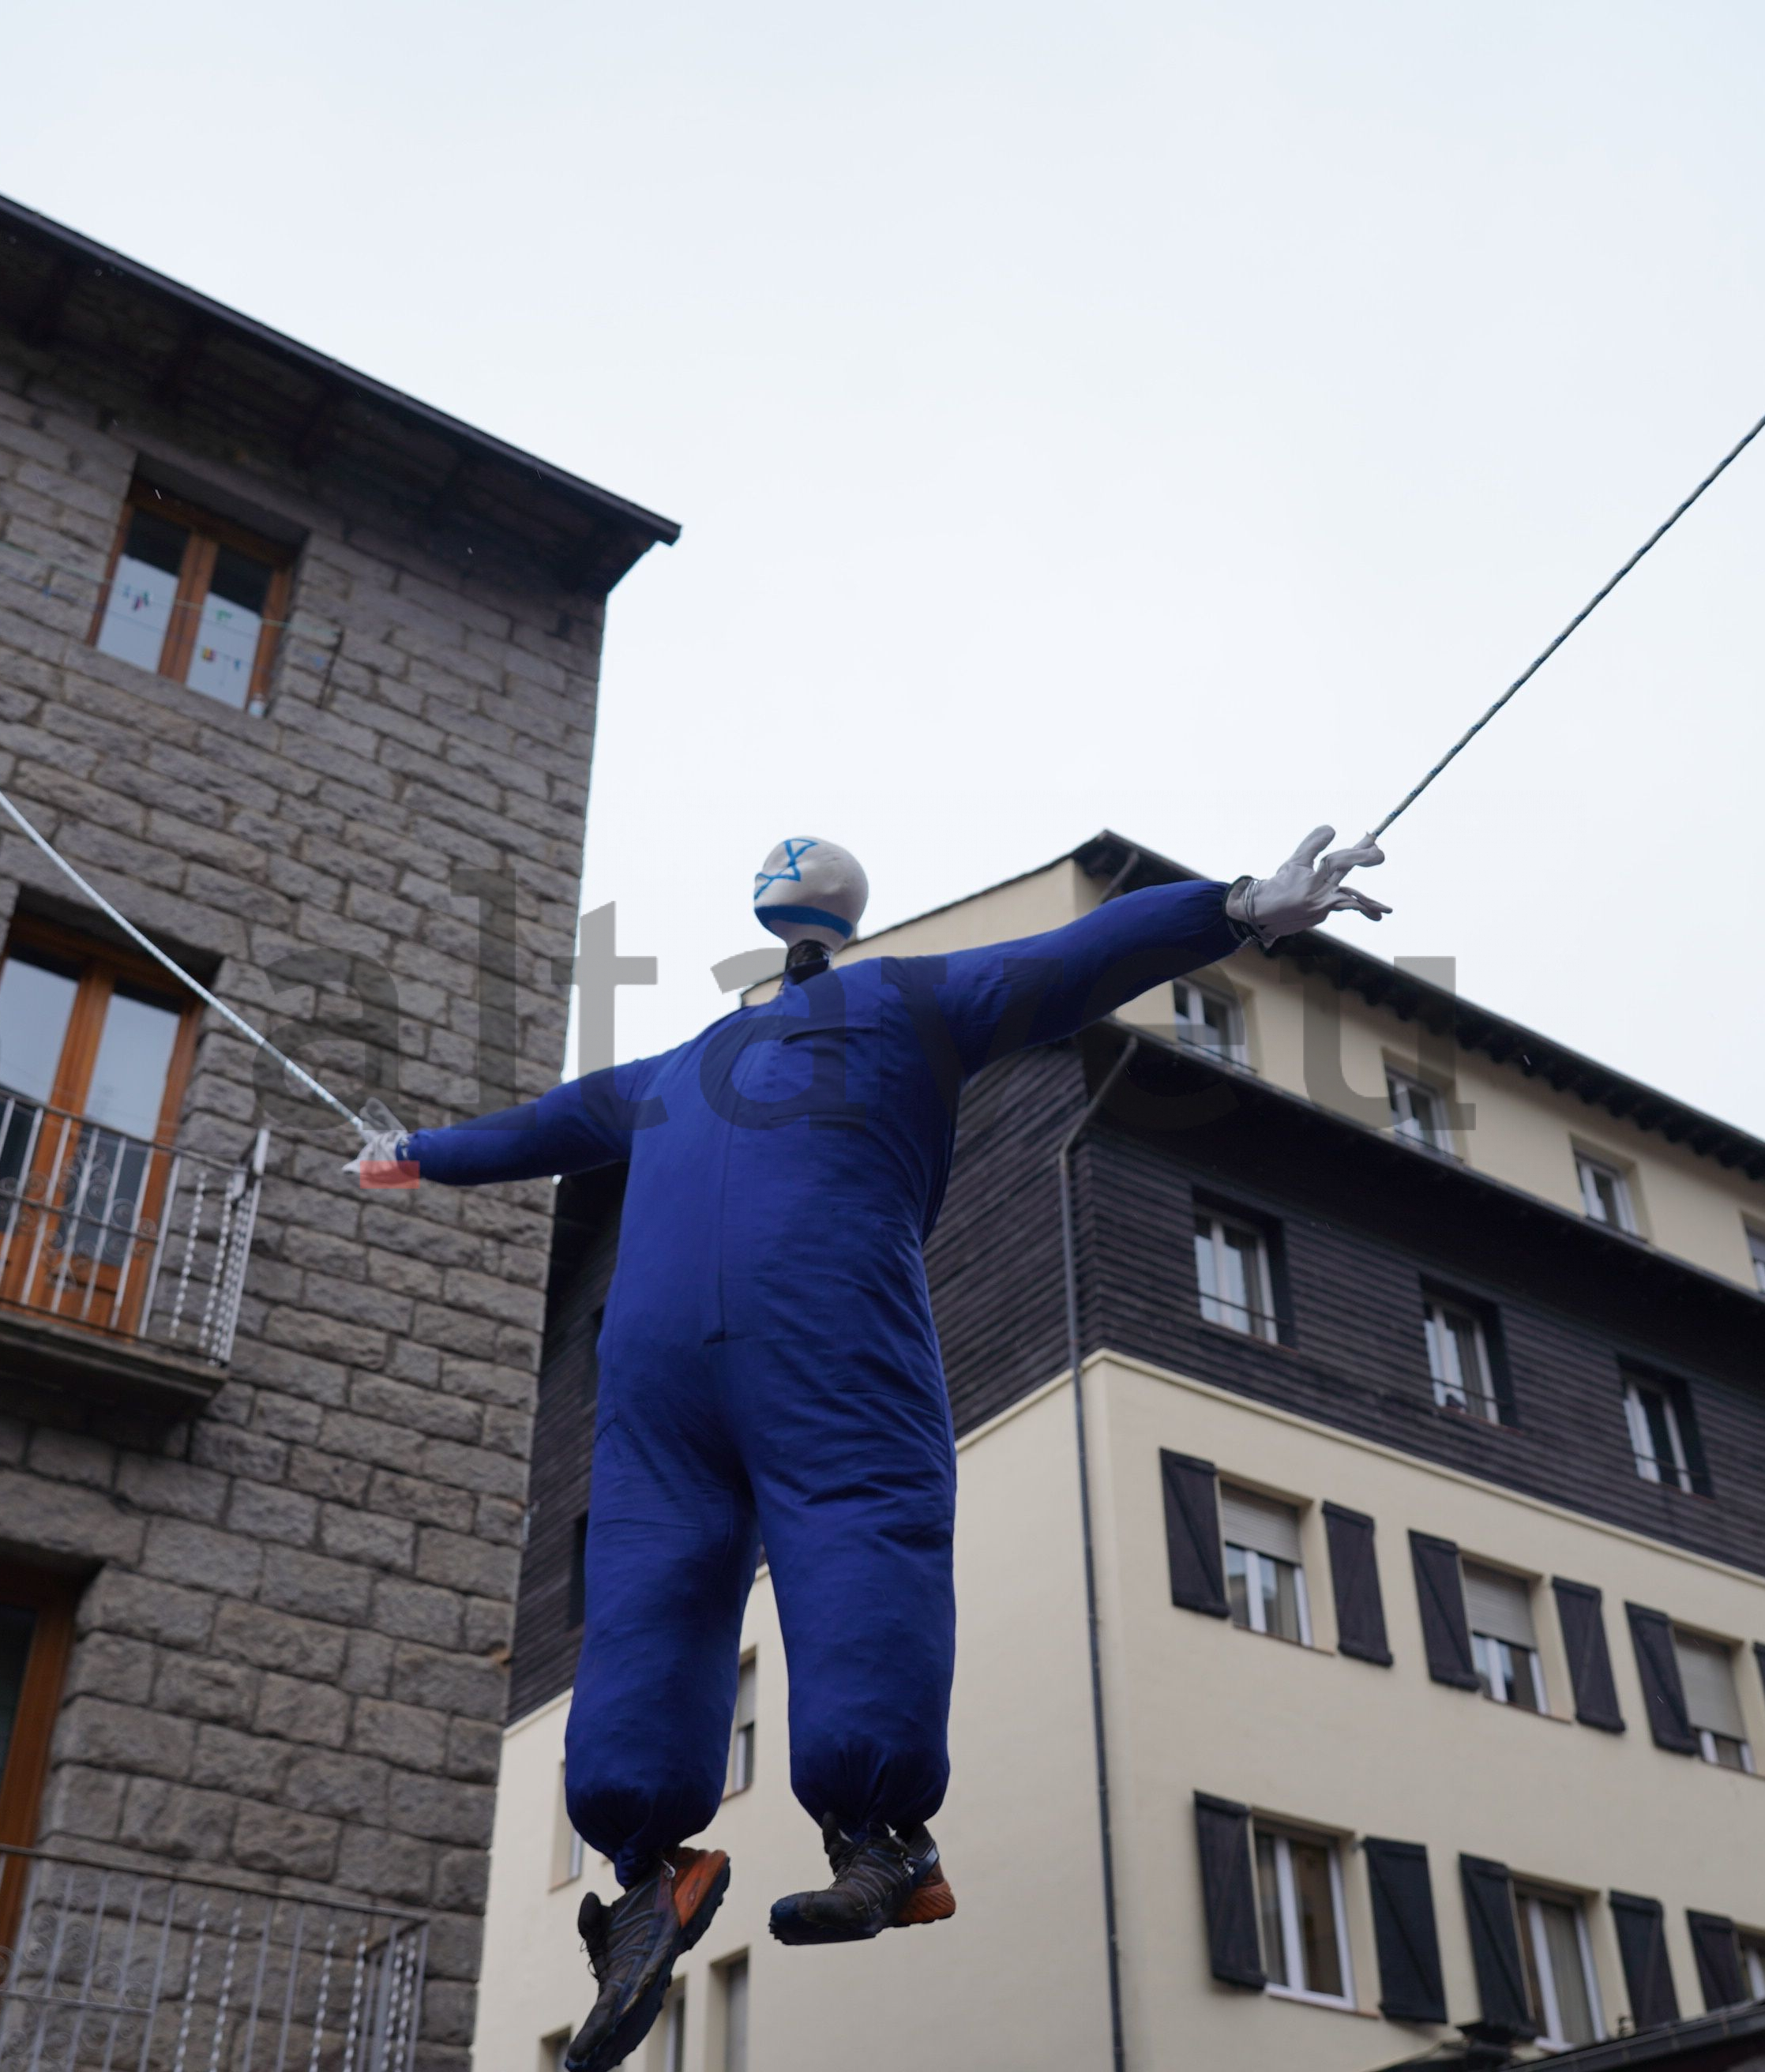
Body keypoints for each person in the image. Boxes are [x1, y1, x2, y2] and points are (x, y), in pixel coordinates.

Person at [354, 828, 1387, 2072]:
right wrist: (1233, 908)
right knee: (802, 1543)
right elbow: (1067, 960)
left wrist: (421, 1155)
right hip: (790, 1336)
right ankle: (799, 1850)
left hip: (681, 1360)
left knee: (688, 1576)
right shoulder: (852, 1016)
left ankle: (738, 1855)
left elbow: (542, 1125)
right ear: (841, 924)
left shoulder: (716, 1060)